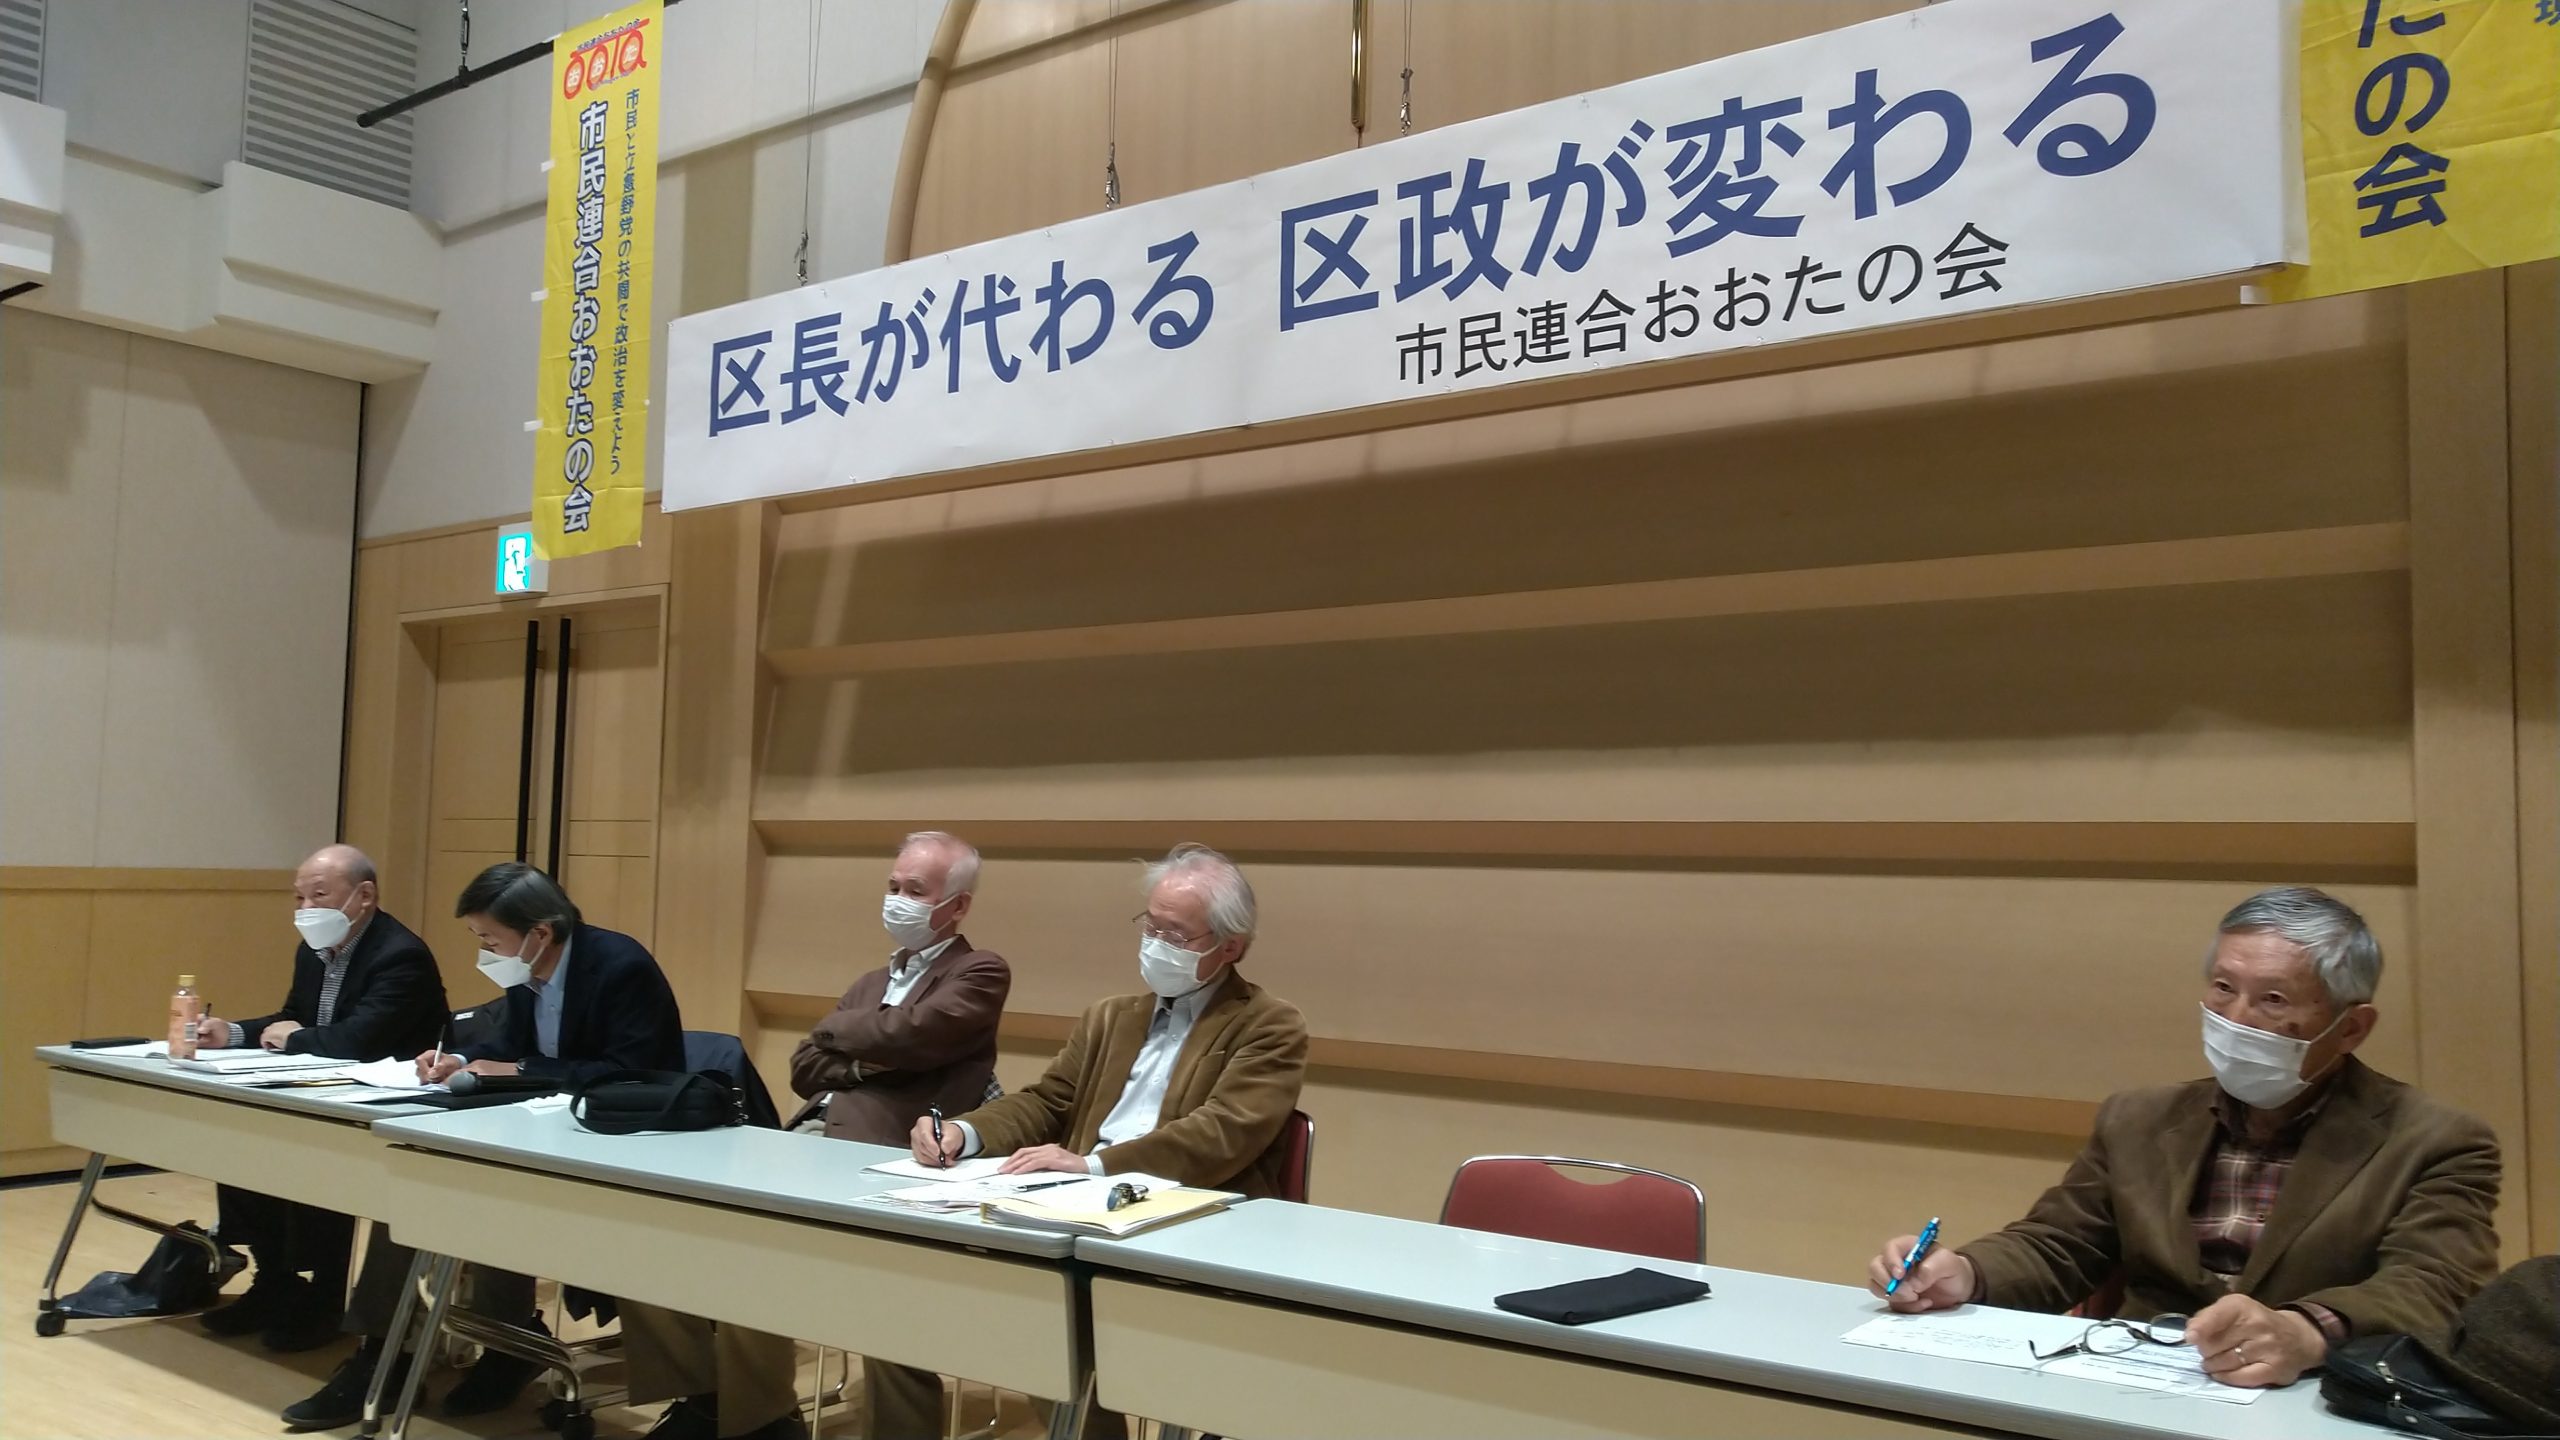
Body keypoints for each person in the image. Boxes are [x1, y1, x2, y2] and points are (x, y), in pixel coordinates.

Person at [1865, 886, 2502, 1389]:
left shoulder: (2436, 1140)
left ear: (2352, 1027)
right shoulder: (2140, 1118)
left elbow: (2434, 1285)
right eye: (2223, 988)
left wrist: (2307, 1331)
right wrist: (1965, 1272)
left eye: (2273, 999)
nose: (2236, 1019)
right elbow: (2059, 1244)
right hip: (2130, 1388)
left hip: (2303, 1400)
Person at [913, 843, 1306, 1439]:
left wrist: (1094, 1165)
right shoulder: (1110, 1016)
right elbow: (1048, 1101)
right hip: (1079, 1210)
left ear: (1231, 947)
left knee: (1066, 1316)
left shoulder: (1269, 1023)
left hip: (1192, 1216)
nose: (1156, 942)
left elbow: (1224, 1132)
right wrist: (965, 1132)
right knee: (1012, 1306)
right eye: (1151, 926)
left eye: (1177, 934)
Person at [283, 863, 686, 1431]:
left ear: (540, 932)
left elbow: (630, 1070)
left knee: (469, 1187)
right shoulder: (528, 968)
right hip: (538, 1129)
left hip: (619, 1144)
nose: (485, 951)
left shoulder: (620, 967)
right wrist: (460, 1059)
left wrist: (517, 1069)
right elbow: (509, 1041)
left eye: (490, 939)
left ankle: (497, 1345)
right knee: (414, 1179)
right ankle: (389, 1353)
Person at [734, 830, 1012, 1440]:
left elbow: (916, 1035)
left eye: (916, 890)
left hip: (893, 1157)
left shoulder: (980, 971)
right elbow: (803, 1067)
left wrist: (843, 1032)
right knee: (736, 1256)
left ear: (958, 905)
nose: (898, 899)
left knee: (887, 1301)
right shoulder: (870, 981)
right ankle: (758, 1418)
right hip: (811, 1143)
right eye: (893, 886)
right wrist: (865, 1059)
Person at [194, 845, 448, 1352]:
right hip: (319, 1088)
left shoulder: (400, 955)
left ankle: (325, 1297)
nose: (306, 909)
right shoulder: (313, 950)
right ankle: (274, 1280)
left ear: (364, 896)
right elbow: (293, 1018)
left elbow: (358, 1040)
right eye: (299, 898)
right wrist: (235, 1033)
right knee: (243, 1136)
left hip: (388, 1107)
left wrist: (292, 1038)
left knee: (319, 1159)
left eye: (319, 896)